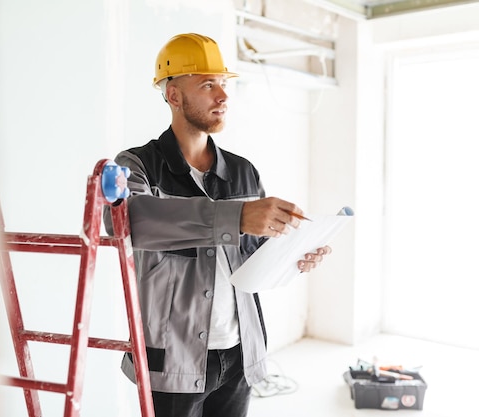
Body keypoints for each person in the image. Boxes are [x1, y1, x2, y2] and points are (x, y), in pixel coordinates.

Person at [106, 33, 331, 417]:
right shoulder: (137, 164)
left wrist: (295, 254)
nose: (223, 97)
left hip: (240, 352)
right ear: (174, 96)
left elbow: (252, 255)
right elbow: (130, 222)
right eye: (208, 85)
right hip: (173, 360)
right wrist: (237, 217)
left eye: (224, 85)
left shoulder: (243, 172)